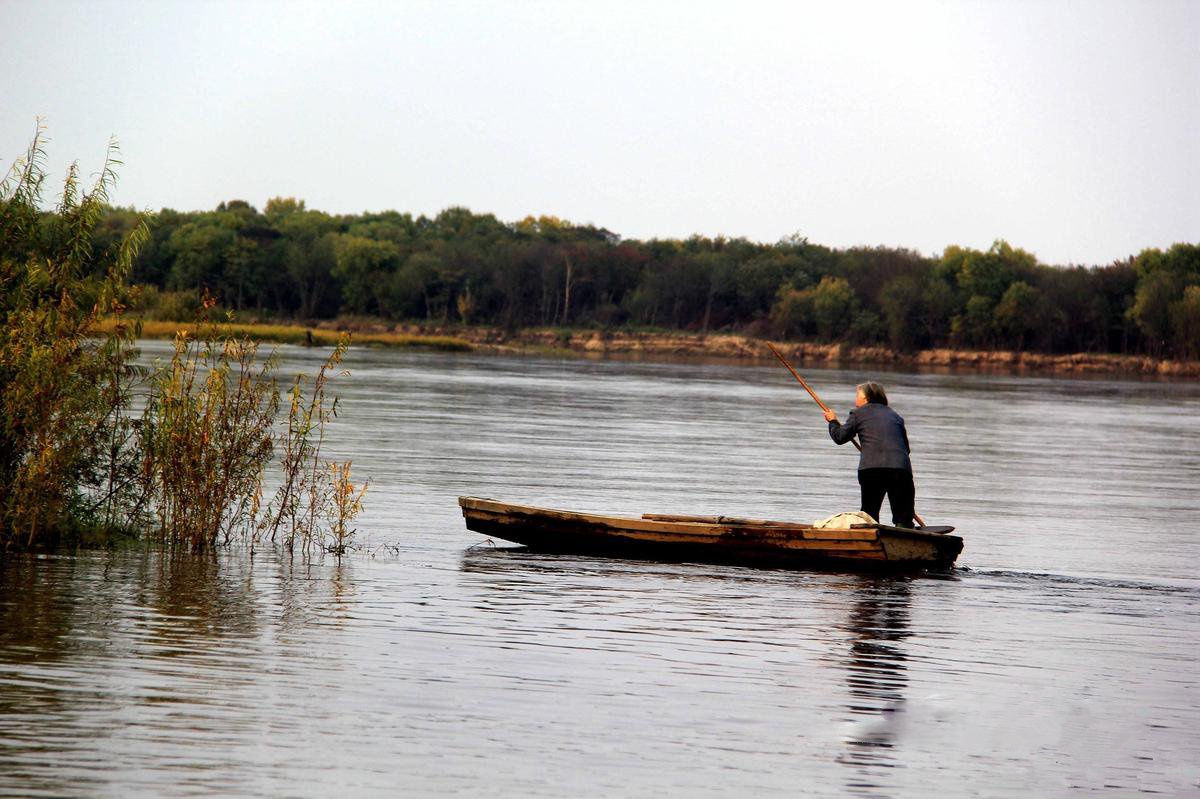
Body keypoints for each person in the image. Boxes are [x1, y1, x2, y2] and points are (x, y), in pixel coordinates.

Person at [823, 381, 916, 528]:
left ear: (866, 399)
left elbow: (839, 437)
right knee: (904, 518)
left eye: (857, 395)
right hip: (900, 469)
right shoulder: (896, 416)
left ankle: (871, 541)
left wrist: (833, 421)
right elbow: (906, 449)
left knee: (869, 516)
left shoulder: (858, 414)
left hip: (872, 470)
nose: (855, 399)